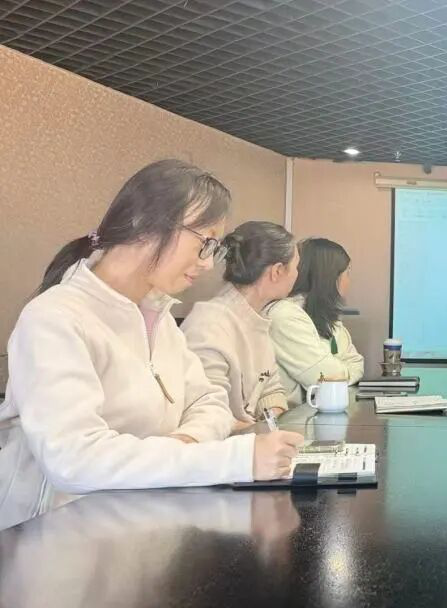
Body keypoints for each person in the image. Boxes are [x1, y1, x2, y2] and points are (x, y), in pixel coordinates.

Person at [0, 160, 303, 529]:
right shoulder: (55, 318)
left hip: (141, 523)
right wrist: (232, 459)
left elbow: (210, 402)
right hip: (56, 534)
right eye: (205, 243)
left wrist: (185, 443)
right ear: (147, 223)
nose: (208, 264)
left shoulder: (159, 317)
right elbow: (73, 459)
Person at [181, 221, 299, 430]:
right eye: (296, 267)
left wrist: (268, 425)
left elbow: (271, 390)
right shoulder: (209, 324)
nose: (297, 274)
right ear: (277, 271)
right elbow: (206, 412)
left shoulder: (256, 319)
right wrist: (258, 432)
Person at [268, 237, 364, 404]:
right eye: (347, 273)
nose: (350, 281)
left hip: (316, 410)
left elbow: (356, 362)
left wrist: (339, 371)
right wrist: (342, 371)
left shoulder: (327, 316)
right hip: (291, 416)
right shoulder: (286, 316)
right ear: (329, 276)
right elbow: (326, 379)